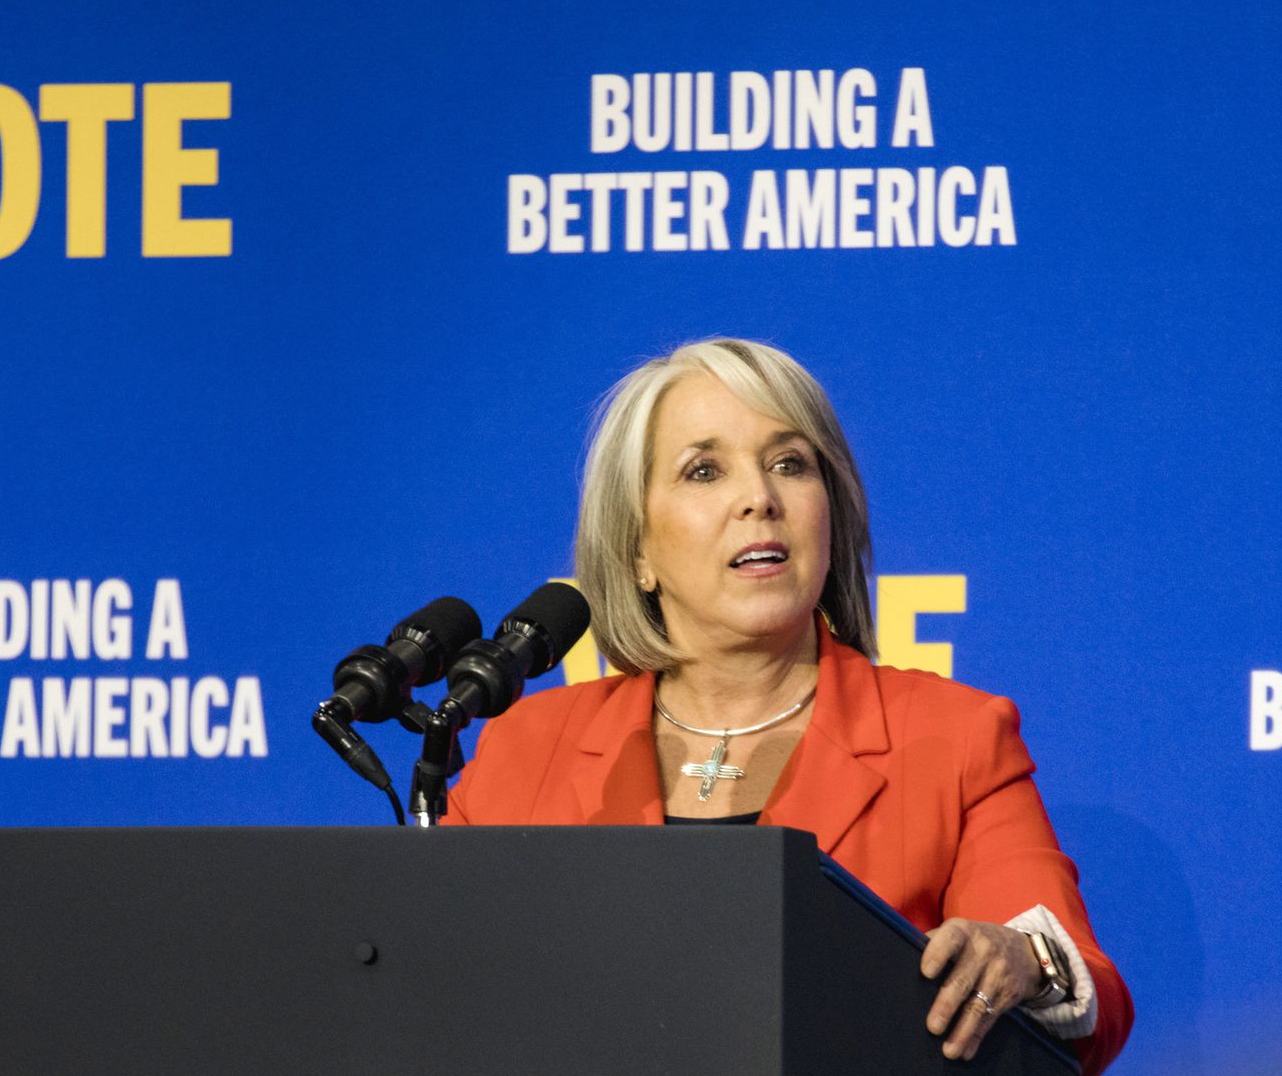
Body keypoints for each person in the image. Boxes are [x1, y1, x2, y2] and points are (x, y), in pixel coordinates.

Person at [447, 338, 1132, 1071]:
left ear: (829, 515)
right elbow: (437, 993)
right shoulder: (527, 749)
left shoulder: (952, 738)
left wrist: (1025, 959)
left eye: (789, 464)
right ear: (637, 549)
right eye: (704, 471)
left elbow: (1088, 997)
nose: (759, 498)